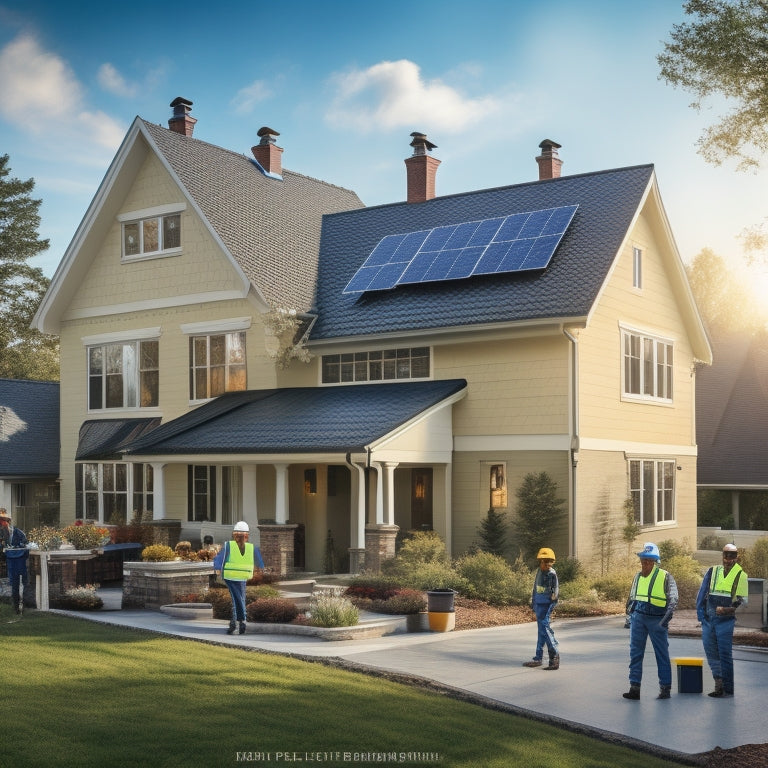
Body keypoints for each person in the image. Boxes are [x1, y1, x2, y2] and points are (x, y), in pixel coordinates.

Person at [623, 542, 678, 700]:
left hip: (657, 619)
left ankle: (665, 688)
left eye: (649, 560)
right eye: (643, 560)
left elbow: (674, 600)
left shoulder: (665, 576)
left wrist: (665, 620)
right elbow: (632, 597)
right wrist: (629, 616)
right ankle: (634, 688)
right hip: (639, 617)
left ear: (655, 562)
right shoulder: (637, 576)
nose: (645, 563)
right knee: (635, 653)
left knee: (661, 654)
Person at [696, 543, 749, 697]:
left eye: (732, 556)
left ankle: (728, 688)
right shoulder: (712, 571)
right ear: (722, 556)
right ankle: (718, 685)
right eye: (726, 555)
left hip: (726, 620)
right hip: (709, 618)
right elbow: (701, 594)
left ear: (737, 557)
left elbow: (742, 602)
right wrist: (701, 616)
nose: (728, 559)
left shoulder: (741, 576)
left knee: (724, 654)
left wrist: (727, 609)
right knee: (711, 652)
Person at [522, 547, 560, 670]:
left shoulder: (552, 574)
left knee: (545, 629)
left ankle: (554, 656)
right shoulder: (539, 571)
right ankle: (538, 658)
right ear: (541, 561)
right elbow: (535, 587)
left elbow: (555, 593)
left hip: (547, 605)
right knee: (541, 632)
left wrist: (551, 605)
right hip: (539, 604)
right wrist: (533, 602)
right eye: (544, 562)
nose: (546, 565)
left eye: (549, 562)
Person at [217, 521, 256, 635]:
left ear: (234, 534)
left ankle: (236, 625)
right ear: (246, 535)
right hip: (244, 576)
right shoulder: (250, 547)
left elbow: (223, 560)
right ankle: (241, 622)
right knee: (240, 599)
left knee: (236, 600)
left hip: (231, 576)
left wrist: (220, 574)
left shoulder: (228, 545)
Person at [0, 509, 29, 614]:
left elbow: (26, 545)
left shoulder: (18, 532)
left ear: (6, 521)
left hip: (20, 561)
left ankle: (25, 606)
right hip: (10, 561)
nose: (1, 524)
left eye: (1, 521)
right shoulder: (1, 533)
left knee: (24, 583)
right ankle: (16, 608)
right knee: (14, 584)